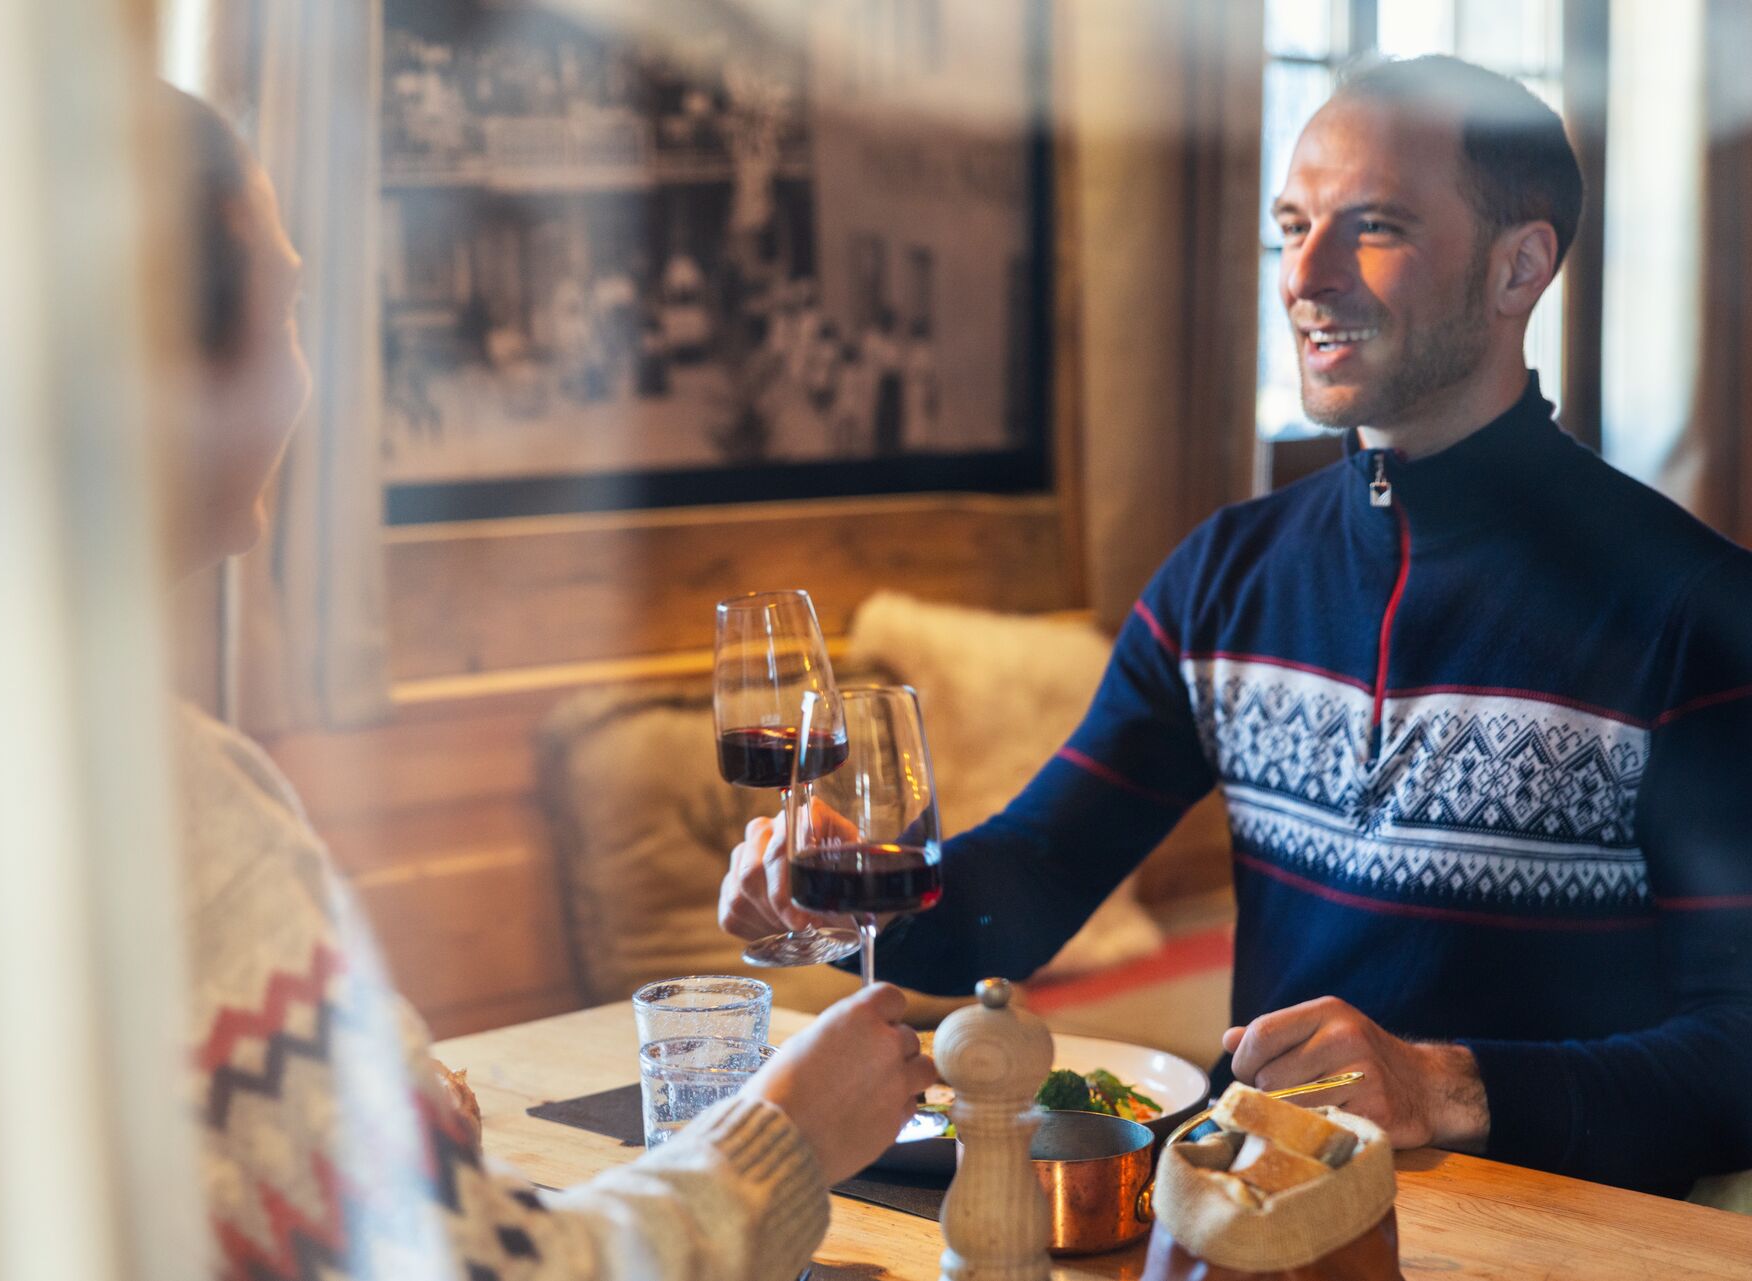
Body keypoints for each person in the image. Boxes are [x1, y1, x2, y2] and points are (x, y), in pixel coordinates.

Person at [721, 55, 1752, 1198]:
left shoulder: (1697, 612)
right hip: (1258, 1222)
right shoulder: (1226, 575)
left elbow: (1742, 1058)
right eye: (1293, 225)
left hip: (1567, 1243)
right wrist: (849, 888)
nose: (1305, 276)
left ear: (1520, 267)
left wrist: (1440, 1086)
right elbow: (1038, 875)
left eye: (1374, 227)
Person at [156, 85, 934, 1281]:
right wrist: (784, 1136)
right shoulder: (170, 803)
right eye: (288, 302)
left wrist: (375, 1102)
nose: (308, 373)